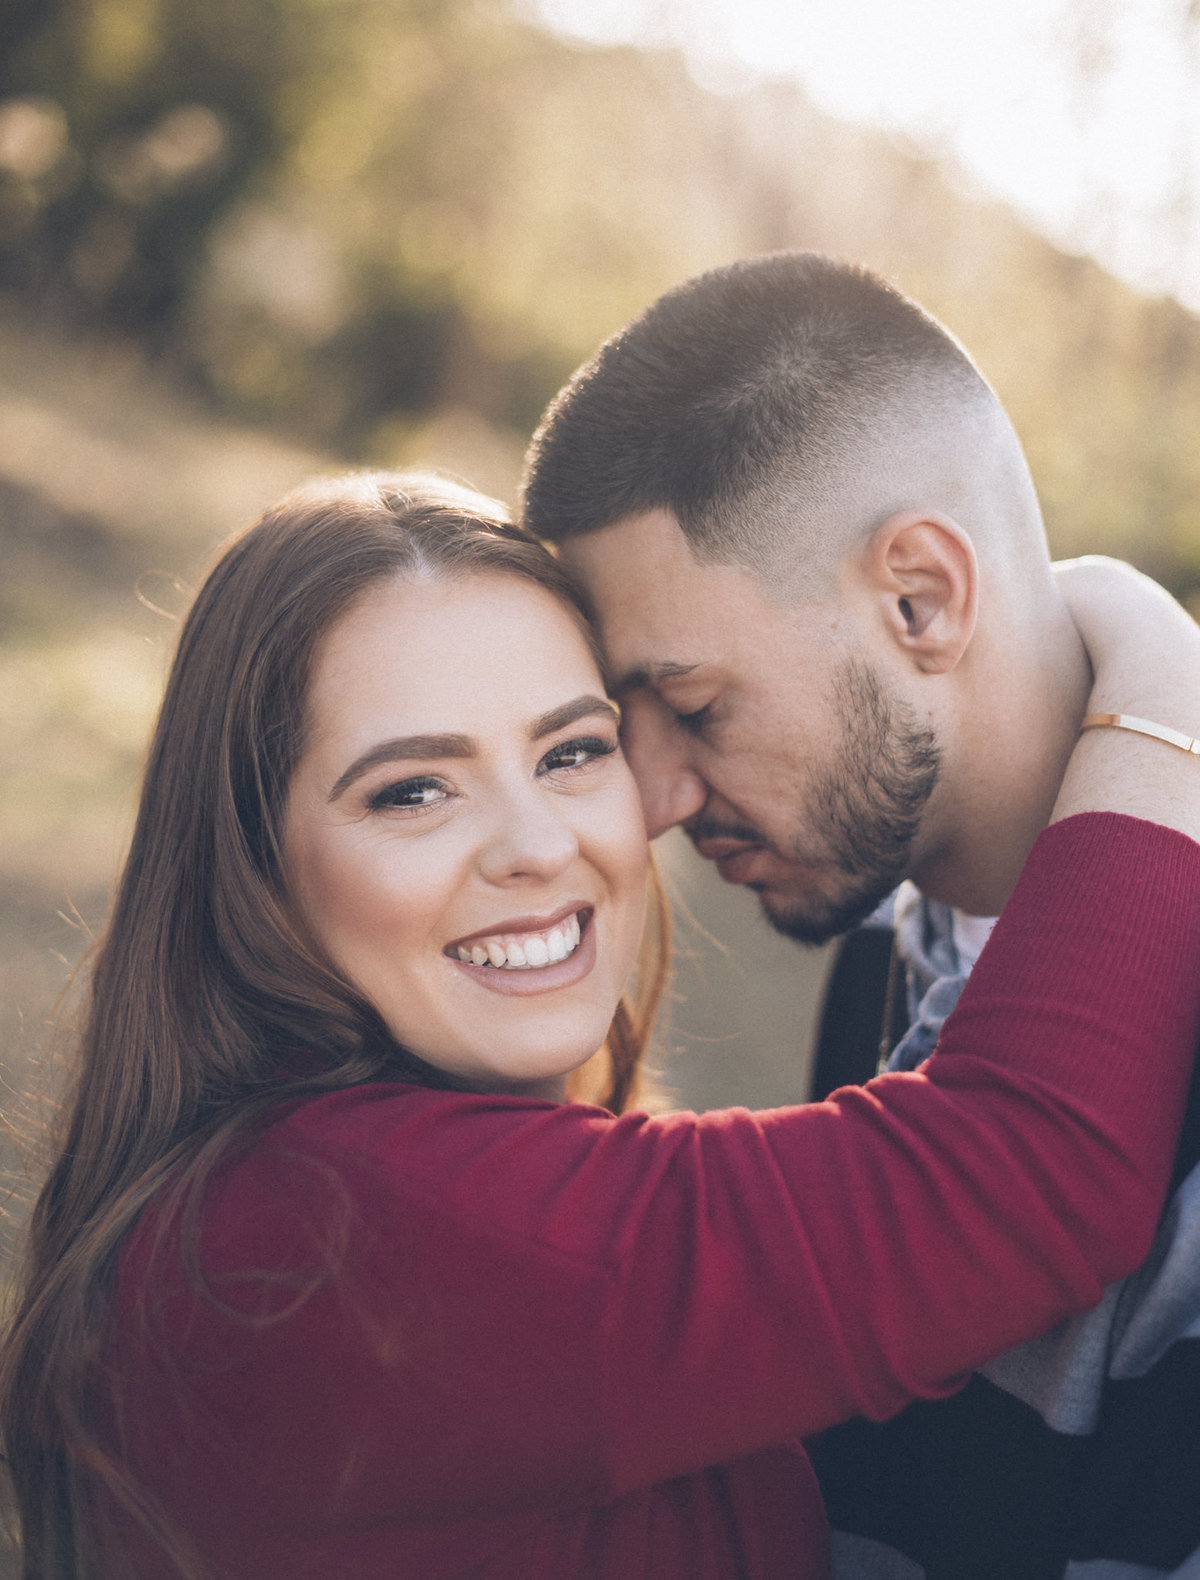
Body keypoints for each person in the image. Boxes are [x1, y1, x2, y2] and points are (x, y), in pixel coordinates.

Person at [2, 470, 1199, 1580]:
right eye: (413, 789)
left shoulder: (290, 1190)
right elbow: (1028, 1170)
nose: (537, 845)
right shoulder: (320, 1229)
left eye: (573, 750)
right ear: (253, 865)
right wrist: (1155, 664)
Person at [520, 251, 1200, 1579]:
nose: (650, 800)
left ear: (920, 598)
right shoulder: (886, 939)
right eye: (621, 721)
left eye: (697, 705)